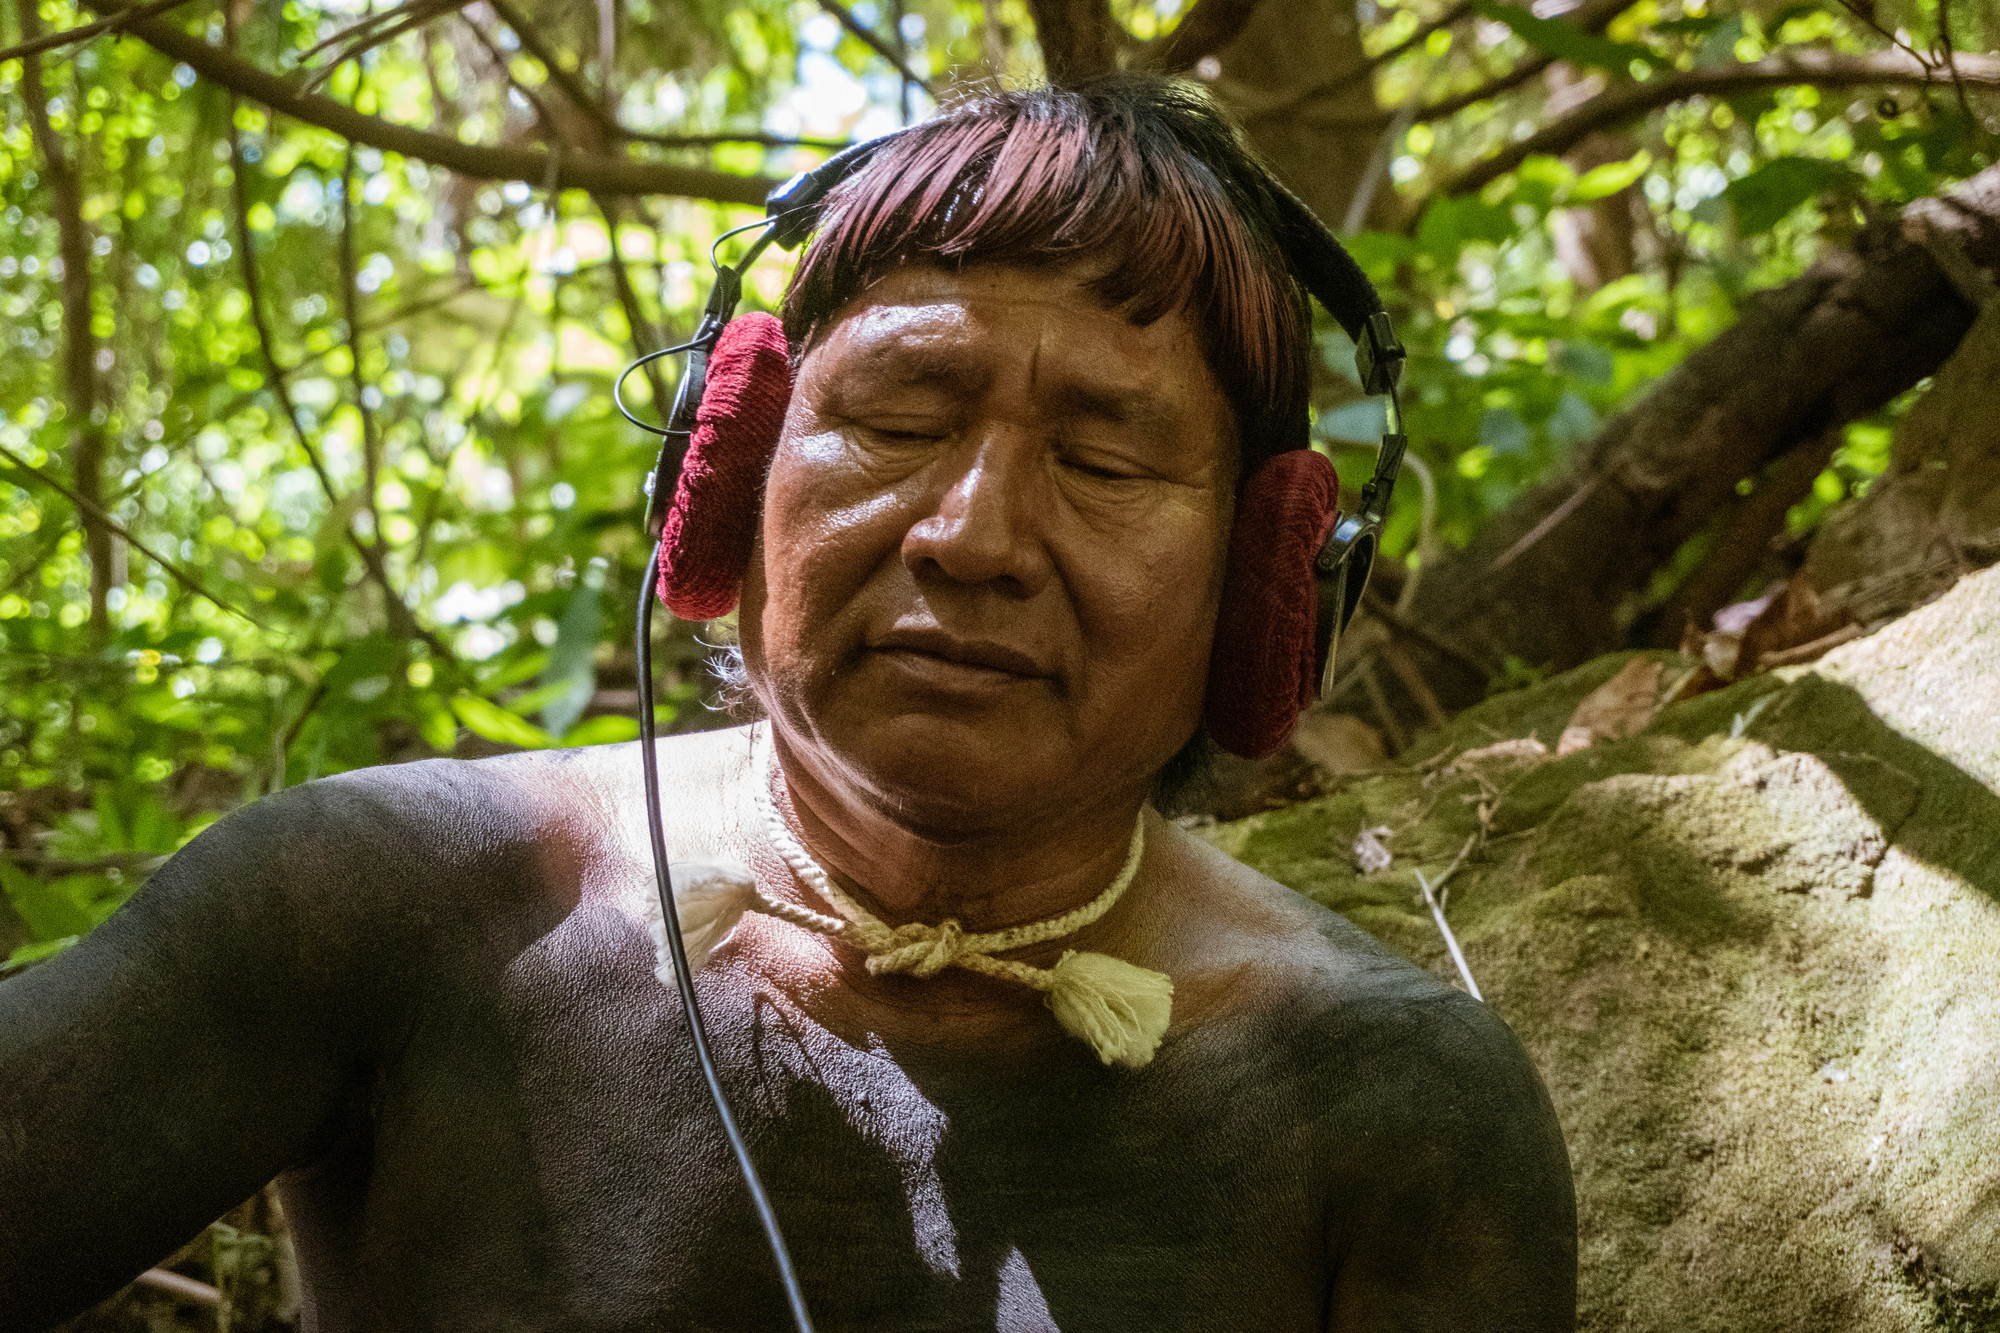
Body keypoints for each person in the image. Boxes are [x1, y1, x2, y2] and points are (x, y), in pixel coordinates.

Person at [0, 76, 1575, 1330]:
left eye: (1102, 462)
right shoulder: (384, 904)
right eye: (899, 418)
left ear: (1268, 575)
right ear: (732, 467)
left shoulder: (1391, 1110)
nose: (971, 534)